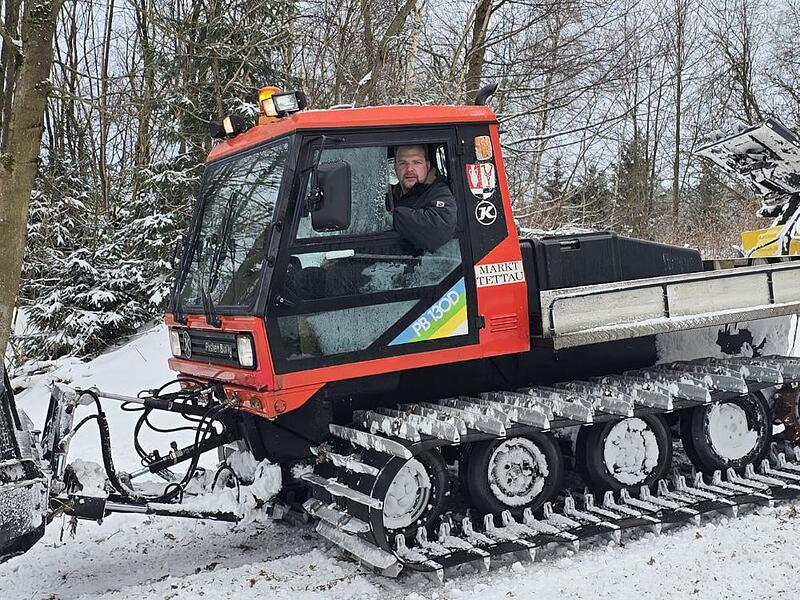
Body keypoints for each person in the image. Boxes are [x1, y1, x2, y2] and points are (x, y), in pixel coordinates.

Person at [391, 145, 457, 252]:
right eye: (402, 163)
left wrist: (392, 216)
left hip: (438, 263)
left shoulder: (440, 192)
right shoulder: (391, 195)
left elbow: (437, 230)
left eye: (417, 162)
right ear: (395, 168)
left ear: (427, 166)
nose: (409, 169)